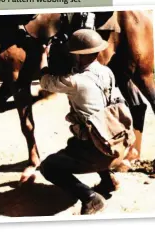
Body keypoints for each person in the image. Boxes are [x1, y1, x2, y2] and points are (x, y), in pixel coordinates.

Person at [38, 29, 134, 215]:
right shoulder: (107, 72)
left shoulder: (75, 81)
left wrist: (44, 56)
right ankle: (108, 181)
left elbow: (45, 81)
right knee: (73, 143)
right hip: (117, 145)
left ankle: (90, 198)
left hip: (98, 151)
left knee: (48, 166)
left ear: (77, 55)